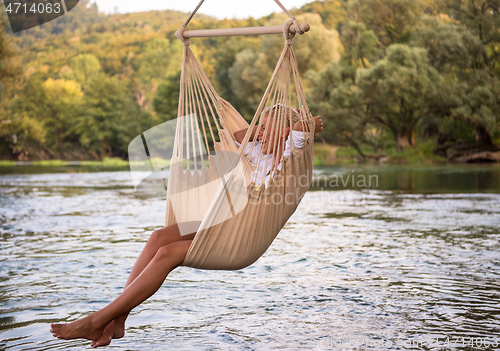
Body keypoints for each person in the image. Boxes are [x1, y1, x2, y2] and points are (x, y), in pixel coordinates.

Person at [50, 107, 323, 348]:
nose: (258, 131)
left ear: (285, 132)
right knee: (159, 238)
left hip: (241, 238)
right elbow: (240, 136)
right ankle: (118, 321)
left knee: (167, 255)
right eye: (259, 126)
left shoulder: (291, 158)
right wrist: (263, 129)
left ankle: (96, 320)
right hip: (222, 221)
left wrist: (303, 126)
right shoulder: (253, 150)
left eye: (265, 127)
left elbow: (300, 134)